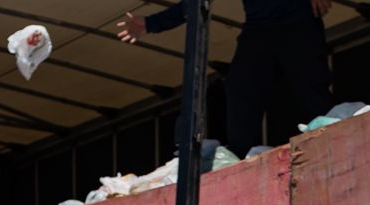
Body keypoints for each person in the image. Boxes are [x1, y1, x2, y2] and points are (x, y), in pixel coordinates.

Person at [117, 1, 332, 156]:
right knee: (240, 89)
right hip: (259, 27)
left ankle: (330, 141)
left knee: (311, 88)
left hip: (298, 18)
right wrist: (150, 23)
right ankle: (242, 156)